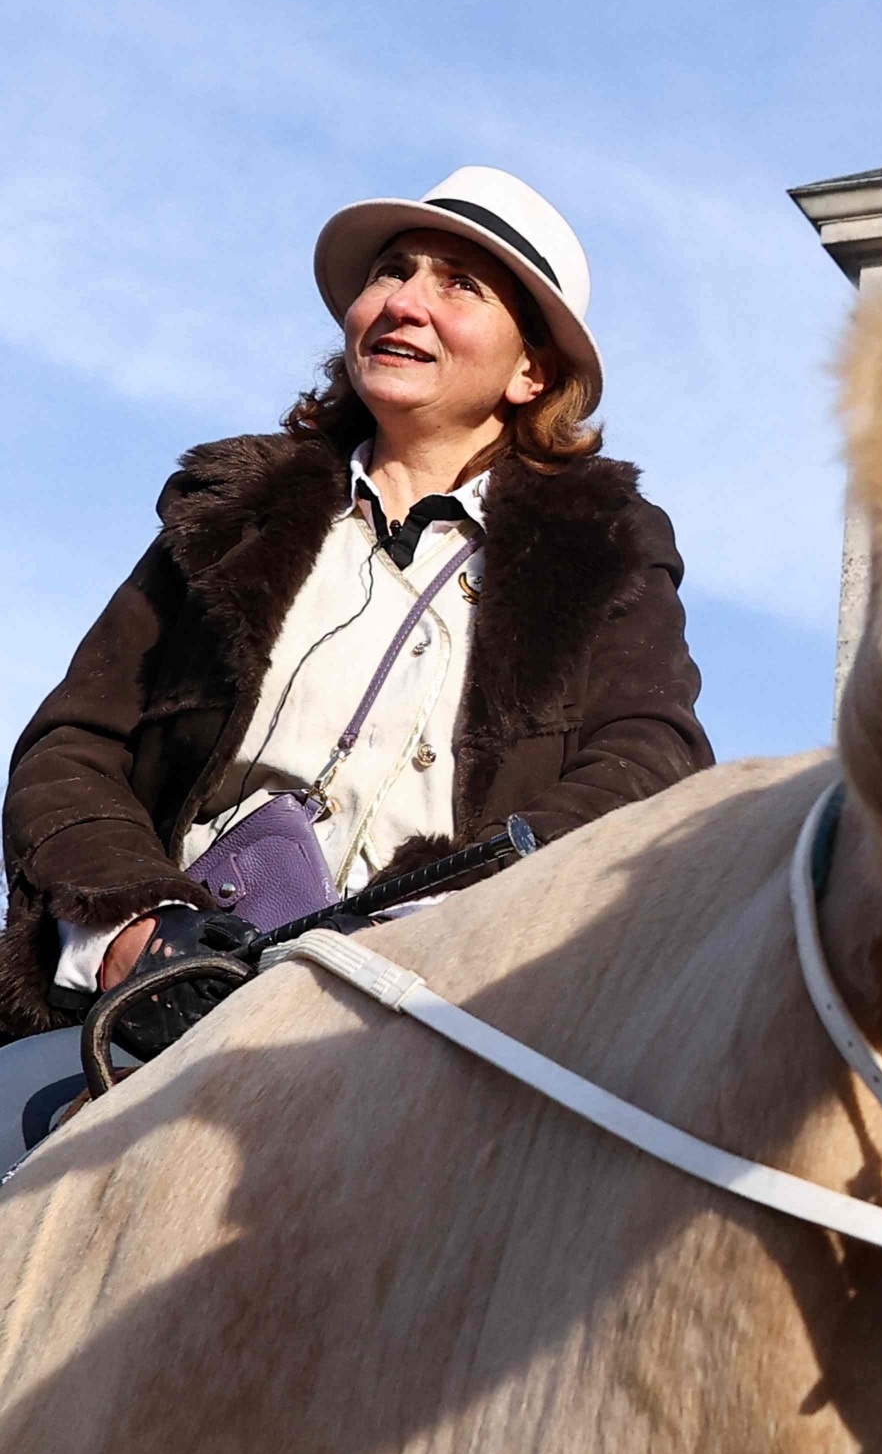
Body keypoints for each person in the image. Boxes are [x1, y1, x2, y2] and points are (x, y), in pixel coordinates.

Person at [1, 166, 712, 1046]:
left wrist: (454, 915)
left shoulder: (605, 550)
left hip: (436, 1020)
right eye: (393, 271)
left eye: (460, 285)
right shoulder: (229, 513)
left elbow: (650, 758)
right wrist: (132, 927)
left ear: (531, 371)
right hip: (171, 1005)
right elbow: (74, 745)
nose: (406, 303)